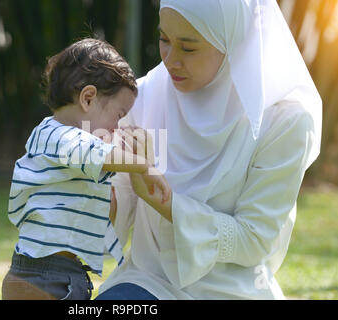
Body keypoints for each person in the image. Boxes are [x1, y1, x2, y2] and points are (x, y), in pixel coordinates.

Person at [96, 0, 322, 300]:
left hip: (231, 290)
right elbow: (122, 198)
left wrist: (165, 201)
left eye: (188, 48)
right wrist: (102, 194)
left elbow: (254, 239)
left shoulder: (284, 122)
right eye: (164, 39)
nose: (170, 60)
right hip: (150, 281)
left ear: (231, 43)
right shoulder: (147, 95)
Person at [1, 38, 171, 300]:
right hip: (45, 276)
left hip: (56, 273)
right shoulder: (56, 135)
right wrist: (144, 165)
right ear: (88, 98)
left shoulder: (70, 158)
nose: (117, 127)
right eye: (118, 115)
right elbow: (96, 153)